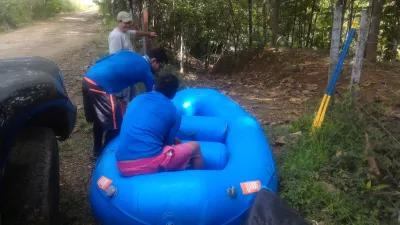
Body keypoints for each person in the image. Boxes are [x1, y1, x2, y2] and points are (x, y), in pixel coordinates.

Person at [82, 48, 168, 158]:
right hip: (101, 87)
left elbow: (100, 61)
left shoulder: (128, 53)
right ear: (154, 61)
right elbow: (154, 97)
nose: (158, 70)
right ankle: (104, 158)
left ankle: (97, 152)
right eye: (159, 67)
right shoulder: (146, 71)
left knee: (99, 121)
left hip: (88, 78)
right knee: (116, 125)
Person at [115, 74, 204, 177]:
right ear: (174, 95)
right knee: (196, 147)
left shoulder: (137, 99)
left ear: (153, 87)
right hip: (145, 164)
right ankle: (199, 181)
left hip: (121, 164)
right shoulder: (174, 112)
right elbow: (167, 144)